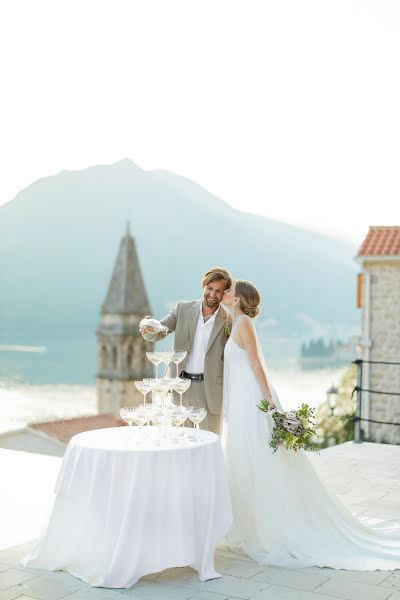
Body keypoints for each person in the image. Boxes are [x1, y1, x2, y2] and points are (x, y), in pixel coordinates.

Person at [220, 279, 400, 570]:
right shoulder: (235, 323)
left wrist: (271, 405)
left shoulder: (243, 326)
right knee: (245, 459)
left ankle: (268, 527)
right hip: (241, 402)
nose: (225, 293)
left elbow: (255, 365)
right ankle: (248, 522)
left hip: (254, 401)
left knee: (260, 461)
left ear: (238, 299)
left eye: (229, 290)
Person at [140, 267, 232, 434]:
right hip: (180, 386)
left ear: (225, 293)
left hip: (211, 390)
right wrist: (148, 329)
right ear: (203, 287)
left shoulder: (228, 319)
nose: (213, 294)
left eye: (218, 291)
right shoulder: (183, 309)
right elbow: (159, 332)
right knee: (180, 440)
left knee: (209, 441)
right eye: (209, 288)